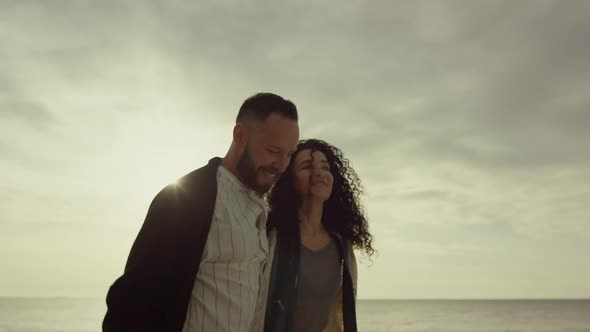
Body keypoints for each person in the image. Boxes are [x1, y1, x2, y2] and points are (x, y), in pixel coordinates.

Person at [103, 92, 300, 332]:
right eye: (273, 150)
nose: (281, 165)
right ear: (239, 135)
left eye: (289, 154)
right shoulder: (187, 198)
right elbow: (130, 301)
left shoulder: (263, 210)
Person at [264, 139, 374, 332]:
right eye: (307, 166)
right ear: (289, 179)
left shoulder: (341, 246)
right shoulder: (270, 236)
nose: (318, 173)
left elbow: (340, 318)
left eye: (325, 167)